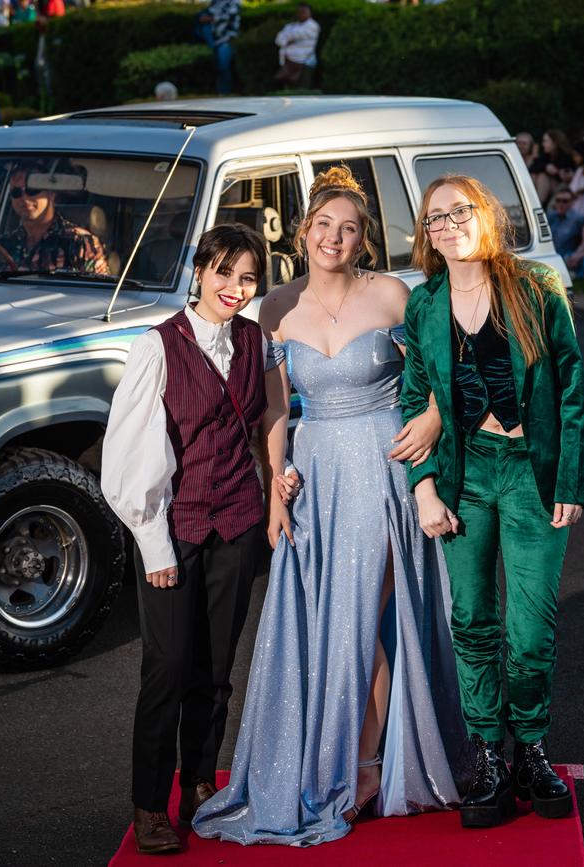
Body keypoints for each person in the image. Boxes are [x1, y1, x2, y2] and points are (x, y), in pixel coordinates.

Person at [193, 165, 471, 846]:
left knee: (366, 617)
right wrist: (276, 481)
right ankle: (340, 756)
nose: (334, 237)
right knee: (326, 621)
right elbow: (277, 406)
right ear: (303, 231)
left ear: (362, 240)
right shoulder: (274, 307)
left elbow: (442, 369)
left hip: (383, 468)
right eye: (324, 225)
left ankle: (367, 764)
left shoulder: (392, 295)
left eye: (348, 228)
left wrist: (433, 418)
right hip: (314, 480)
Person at [402, 174, 584, 829]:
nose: (449, 225)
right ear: (426, 234)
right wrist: (424, 485)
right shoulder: (424, 305)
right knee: (474, 623)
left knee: (529, 632)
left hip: (531, 473)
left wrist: (569, 478)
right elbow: (414, 397)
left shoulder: (537, 288)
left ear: (486, 216)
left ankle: (530, 748)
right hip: (464, 475)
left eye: (460, 212)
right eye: (436, 218)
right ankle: (487, 754)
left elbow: (570, 386)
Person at [101, 224, 272, 855]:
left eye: (248, 277)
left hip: (238, 522)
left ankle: (200, 782)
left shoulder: (257, 339)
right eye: (224, 272)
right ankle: (150, 804)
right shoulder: (156, 347)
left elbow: (264, 423)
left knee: (216, 667)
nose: (235, 287)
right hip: (175, 526)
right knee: (167, 668)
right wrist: (155, 546)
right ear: (199, 270)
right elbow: (126, 457)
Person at [0, 160, 109, 274]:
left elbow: (101, 291)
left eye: (32, 190)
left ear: (52, 193)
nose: (25, 198)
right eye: (16, 192)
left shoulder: (80, 243)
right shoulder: (2, 246)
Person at [195, 0, 240, 95]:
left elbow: (230, 16)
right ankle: (220, 92)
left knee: (224, 67)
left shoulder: (233, 2)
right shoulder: (215, 2)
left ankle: (225, 92)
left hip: (226, 39)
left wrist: (211, 18)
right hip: (214, 41)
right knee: (218, 68)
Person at [274, 3, 320, 88]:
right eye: (299, 11)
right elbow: (279, 40)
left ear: (310, 13)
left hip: (305, 62)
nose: (301, 14)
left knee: (303, 90)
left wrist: (288, 39)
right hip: (288, 62)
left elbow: (295, 35)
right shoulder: (290, 26)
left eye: (304, 11)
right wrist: (288, 40)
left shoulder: (313, 26)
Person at [530, 129, 574, 206]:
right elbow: (532, 168)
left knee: (543, 177)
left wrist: (557, 172)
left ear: (555, 143)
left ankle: (538, 204)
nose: (543, 144)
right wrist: (546, 167)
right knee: (535, 176)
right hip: (549, 186)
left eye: (546, 141)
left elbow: (567, 174)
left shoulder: (566, 156)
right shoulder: (546, 155)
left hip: (563, 187)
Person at [546, 186, 584, 259]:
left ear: (572, 202)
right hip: (549, 255)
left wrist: (575, 255)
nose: (561, 204)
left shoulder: (579, 219)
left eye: (565, 201)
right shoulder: (550, 216)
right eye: (558, 200)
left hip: (566, 257)